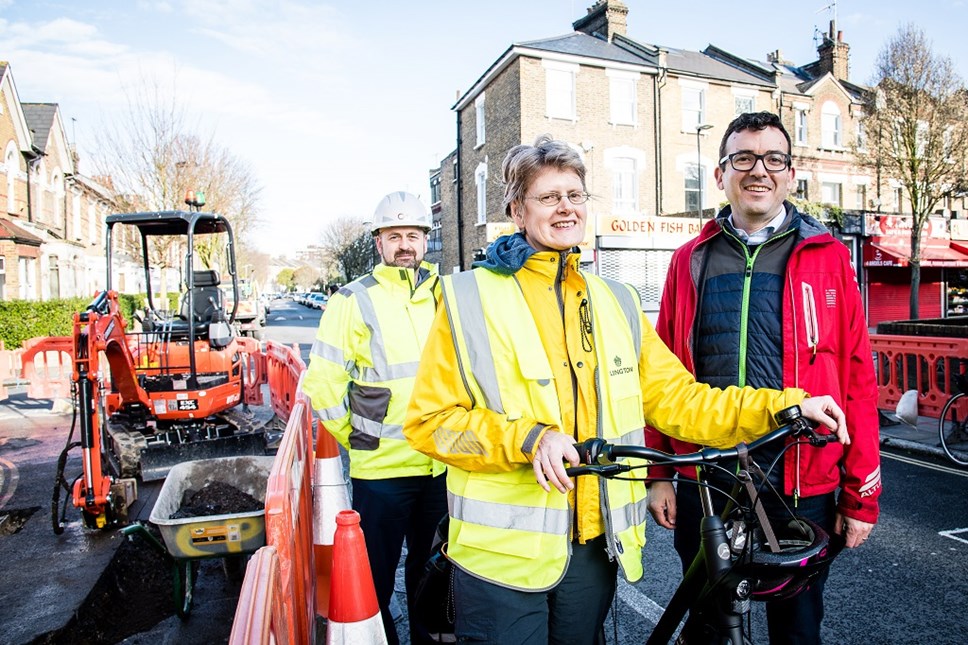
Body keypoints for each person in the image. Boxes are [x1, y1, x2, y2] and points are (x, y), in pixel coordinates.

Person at [403, 135, 849, 645]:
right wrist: (528, 439)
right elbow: (428, 422)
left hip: (593, 547)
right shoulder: (466, 297)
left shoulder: (614, 299)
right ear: (517, 210)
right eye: (548, 197)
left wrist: (787, 404)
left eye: (575, 195)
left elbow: (680, 400)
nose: (565, 208)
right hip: (501, 558)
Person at [645, 111, 882, 644]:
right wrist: (661, 471)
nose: (759, 171)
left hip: (803, 480)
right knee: (708, 625)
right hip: (708, 477)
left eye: (774, 158)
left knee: (796, 632)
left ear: (790, 175)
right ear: (720, 173)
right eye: (744, 158)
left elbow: (858, 380)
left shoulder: (829, 258)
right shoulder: (690, 260)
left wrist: (860, 494)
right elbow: (661, 374)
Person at [301, 191, 447, 645]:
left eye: (413, 235)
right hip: (381, 471)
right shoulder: (353, 299)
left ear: (425, 241)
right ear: (378, 244)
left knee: (435, 574)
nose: (405, 244)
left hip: (442, 465)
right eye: (394, 236)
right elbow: (321, 382)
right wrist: (358, 437)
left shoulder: (447, 294)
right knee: (376, 578)